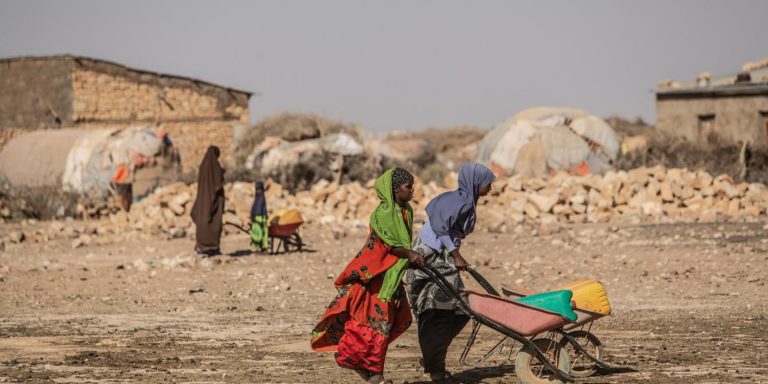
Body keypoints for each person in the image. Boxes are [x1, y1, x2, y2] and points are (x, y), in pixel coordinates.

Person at [312, 168, 425, 384]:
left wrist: (409, 259)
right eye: (408, 187)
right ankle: (375, 375)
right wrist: (410, 254)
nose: (412, 191)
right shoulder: (382, 213)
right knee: (375, 327)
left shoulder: (406, 211)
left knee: (390, 323)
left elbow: (401, 246)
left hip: (391, 277)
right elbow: (390, 246)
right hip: (374, 277)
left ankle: (373, 374)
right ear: (394, 189)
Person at [406, 163, 495, 382]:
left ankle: (433, 357)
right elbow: (439, 227)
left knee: (458, 308)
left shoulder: (459, 199)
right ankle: (435, 368)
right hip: (430, 257)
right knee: (443, 309)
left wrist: (453, 254)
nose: (490, 189)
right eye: (488, 184)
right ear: (476, 183)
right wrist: (456, 255)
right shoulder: (460, 202)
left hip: (438, 257)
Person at [190, 146, 225, 256]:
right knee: (214, 220)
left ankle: (202, 247)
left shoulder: (203, 166)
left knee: (203, 218)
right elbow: (218, 182)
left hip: (202, 198)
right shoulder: (215, 167)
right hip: (214, 197)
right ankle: (212, 247)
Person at [250, 181, 269, 252]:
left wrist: (254, 217)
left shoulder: (260, 197)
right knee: (257, 233)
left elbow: (258, 208)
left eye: (259, 189)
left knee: (259, 233)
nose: (258, 190)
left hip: (259, 218)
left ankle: (261, 247)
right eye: (257, 189)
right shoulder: (258, 197)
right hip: (257, 217)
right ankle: (260, 247)